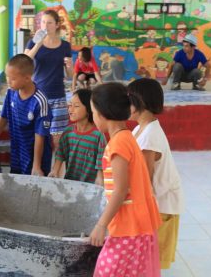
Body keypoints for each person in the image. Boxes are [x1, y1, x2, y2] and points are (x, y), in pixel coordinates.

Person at [89, 82, 162, 277]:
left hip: (129, 226)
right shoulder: (126, 137)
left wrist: (100, 225)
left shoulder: (119, 144)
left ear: (103, 114)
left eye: (93, 113)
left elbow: (121, 190)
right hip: (135, 223)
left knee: (106, 271)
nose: (93, 118)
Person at [128, 78, 184, 270]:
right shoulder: (140, 128)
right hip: (157, 202)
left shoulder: (149, 136)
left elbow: (144, 181)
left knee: (151, 260)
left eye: (129, 99)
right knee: (147, 258)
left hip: (161, 205)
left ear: (139, 103)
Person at [0, 54, 52, 176]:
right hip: (17, 152)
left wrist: (36, 166)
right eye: (7, 76)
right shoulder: (11, 92)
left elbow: (40, 136)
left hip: (36, 157)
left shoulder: (40, 102)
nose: (8, 81)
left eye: (13, 78)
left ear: (27, 78)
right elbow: (3, 117)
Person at [25, 10, 72, 154]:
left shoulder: (65, 46)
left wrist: (70, 67)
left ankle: (56, 171)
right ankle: (37, 167)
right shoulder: (32, 42)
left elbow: (70, 75)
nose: (46, 25)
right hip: (38, 95)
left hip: (58, 95)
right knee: (38, 136)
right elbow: (25, 60)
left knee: (58, 138)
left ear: (57, 25)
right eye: (43, 22)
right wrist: (38, 43)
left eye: (50, 22)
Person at [48, 88, 105, 184]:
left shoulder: (98, 135)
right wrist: (55, 171)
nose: (70, 109)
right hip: (70, 183)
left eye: (76, 106)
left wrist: (100, 178)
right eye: (70, 105)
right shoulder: (68, 132)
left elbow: (100, 162)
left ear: (89, 108)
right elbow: (60, 154)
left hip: (90, 186)